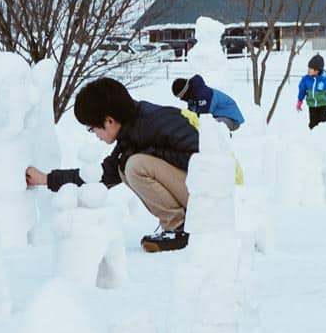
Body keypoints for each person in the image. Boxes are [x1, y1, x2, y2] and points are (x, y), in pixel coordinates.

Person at [25, 78, 199, 252]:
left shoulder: (158, 120)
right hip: (192, 191)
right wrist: (46, 179)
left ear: (108, 121)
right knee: (127, 167)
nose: (94, 134)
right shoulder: (131, 133)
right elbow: (99, 176)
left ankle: (178, 229)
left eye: (92, 128)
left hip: (210, 195)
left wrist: (149, 153)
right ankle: (178, 226)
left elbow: (199, 156)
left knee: (136, 165)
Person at [172, 74, 244, 131]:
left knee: (209, 126)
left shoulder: (203, 95)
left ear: (185, 92)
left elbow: (203, 117)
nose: (181, 99)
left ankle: (222, 146)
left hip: (232, 120)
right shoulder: (194, 95)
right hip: (219, 116)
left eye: (181, 97)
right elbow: (191, 115)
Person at [296, 54, 326, 129]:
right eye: (308, 68)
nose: (308, 70)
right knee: (313, 123)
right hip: (312, 104)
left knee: (324, 120)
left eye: (310, 69)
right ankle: (313, 137)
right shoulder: (306, 79)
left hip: (324, 103)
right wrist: (300, 101)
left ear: (317, 70)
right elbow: (302, 90)